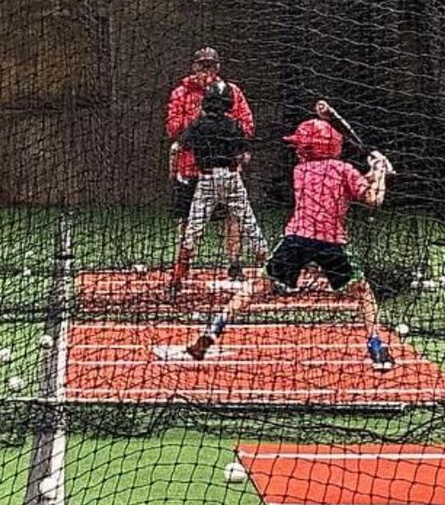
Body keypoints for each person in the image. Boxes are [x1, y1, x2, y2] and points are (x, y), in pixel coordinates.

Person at [182, 111, 394, 371]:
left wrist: (374, 171)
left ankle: (214, 328)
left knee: (257, 287)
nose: (298, 151)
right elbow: (373, 199)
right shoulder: (343, 169)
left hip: (296, 239)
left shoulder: (300, 171)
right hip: (330, 243)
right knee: (363, 292)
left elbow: (347, 182)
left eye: (302, 146)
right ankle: (376, 347)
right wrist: (380, 171)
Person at [167, 81, 270, 294]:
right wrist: (237, 162)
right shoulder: (234, 125)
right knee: (249, 223)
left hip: (206, 179)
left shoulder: (198, 124)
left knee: (193, 227)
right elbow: (244, 155)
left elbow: (178, 147)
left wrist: (175, 174)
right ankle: (271, 271)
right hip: (232, 177)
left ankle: (178, 277)